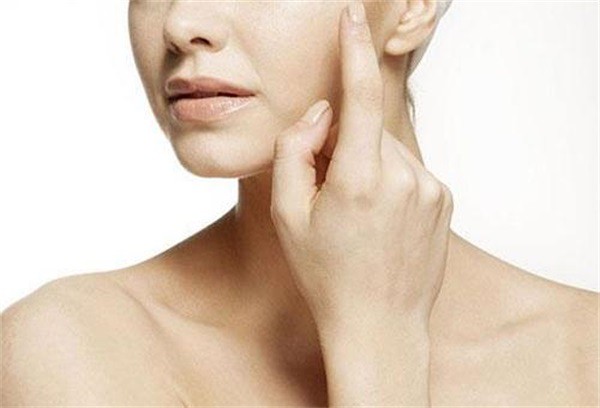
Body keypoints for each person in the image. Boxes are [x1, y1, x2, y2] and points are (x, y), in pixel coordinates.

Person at [2, 1, 597, 406]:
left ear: (412, 7)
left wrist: (378, 334)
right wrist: (375, 345)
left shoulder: (583, 357)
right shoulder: (74, 347)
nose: (181, 23)